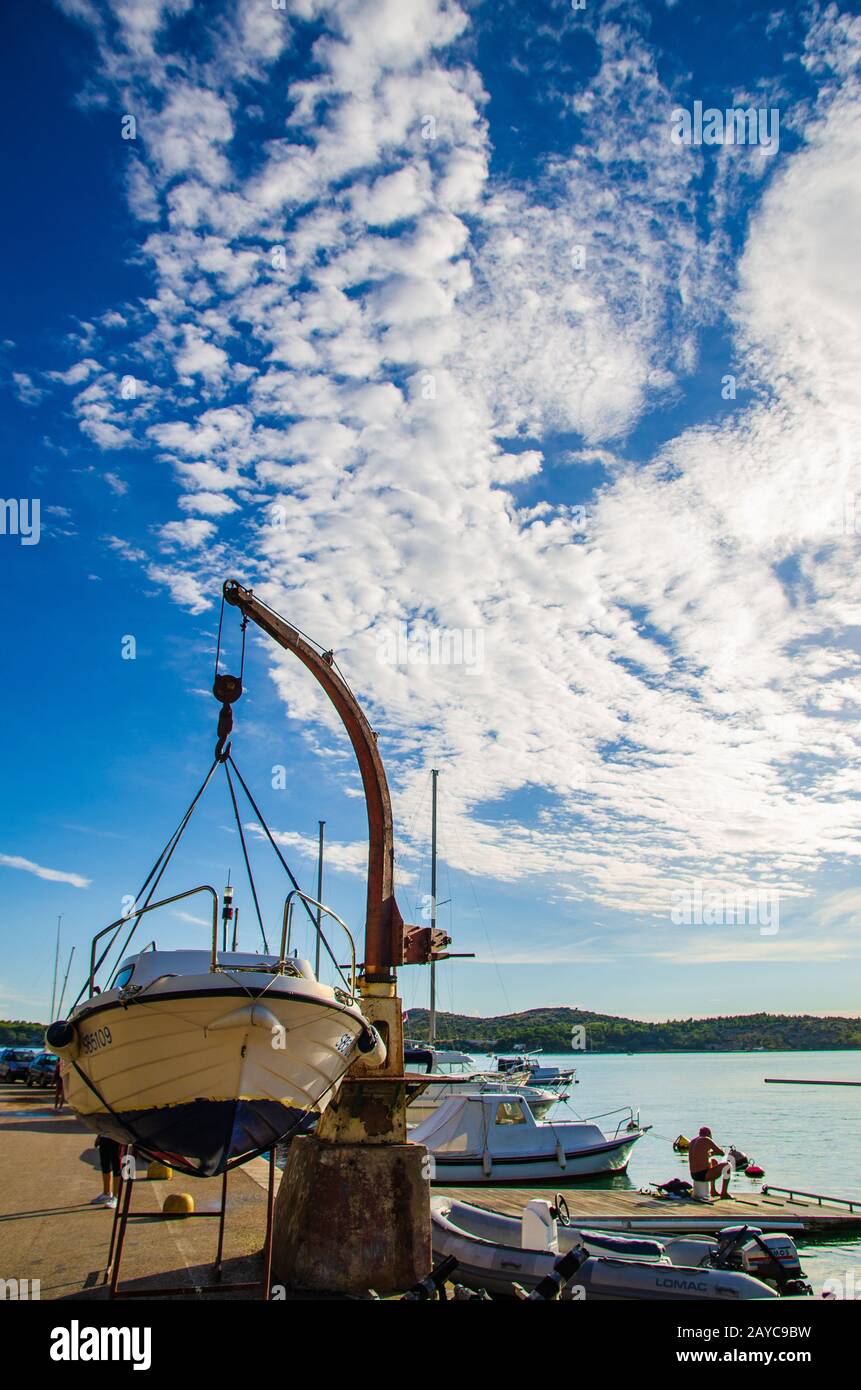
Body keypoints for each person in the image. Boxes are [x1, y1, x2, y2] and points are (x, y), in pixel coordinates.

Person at [688, 1125, 731, 1198]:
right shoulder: (706, 1139)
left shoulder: (692, 1142)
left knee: (713, 1161)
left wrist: (711, 1153)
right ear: (709, 1134)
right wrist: (722, 1150)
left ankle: (713, 1191)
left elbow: (700, 1156)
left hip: (694, 1175)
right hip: (703, 1175)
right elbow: (721, 1153)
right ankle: (724, 1193)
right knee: (727, 1165)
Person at [93, 1136, 122, 1208]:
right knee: (105, 1163)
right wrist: (99, 1136)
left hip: (117, 1136)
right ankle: (107, 1193)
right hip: (105, 1135)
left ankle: (116, 1197)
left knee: (116, 1165)